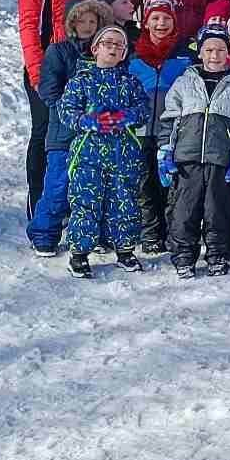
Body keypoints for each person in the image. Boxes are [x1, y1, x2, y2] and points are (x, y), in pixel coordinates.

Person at [157, 23, 230, 278]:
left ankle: (218, 255)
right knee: (184, 209)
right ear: (199, 52)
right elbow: (170, 117)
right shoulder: (184, 82)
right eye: (208, 50)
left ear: (228, 53)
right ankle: (184, 256)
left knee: (217, 209)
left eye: (220, 50)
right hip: (186, 157)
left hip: (219, 157)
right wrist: (166, 149)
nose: (214, 55)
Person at [57, 25, 150, 279]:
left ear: (124, 53)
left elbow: (143, 110)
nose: (113, 48)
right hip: (88, 154)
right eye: (108, 43)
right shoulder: (81, 81)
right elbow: (66, 111)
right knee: (86, 202)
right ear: (95, 48)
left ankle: (125, 250)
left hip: (123, 154)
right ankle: (79, 253)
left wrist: (126, 117)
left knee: (124, 201)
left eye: (119, 45)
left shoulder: (130, 82)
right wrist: (89, 121)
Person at [18, 0, 91, 218]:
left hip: (74, 69)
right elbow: (29, 27)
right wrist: (37, 73)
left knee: (69, 135)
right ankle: (38, 203)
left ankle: (63, 201)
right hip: (46, 69)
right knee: (44, 133)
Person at [28, 0, 110, 257]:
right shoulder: (59, 51)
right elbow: (48, 91)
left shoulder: (105, 52)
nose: (87, 26)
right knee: (58, 186)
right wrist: (74, 111)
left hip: (96, 135)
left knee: (93, 188)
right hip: (64, 133)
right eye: (81, 21)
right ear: (71, 23)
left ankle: (90, 233)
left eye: (92, 21)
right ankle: (44, 233)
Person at [128, 0, 196, 253]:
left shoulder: (184, 57)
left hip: (172, 132)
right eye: (155, 18)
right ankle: (150, 233)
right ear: (145, 22)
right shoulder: (133, 57)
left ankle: (170, 231)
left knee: (170, 183)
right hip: (141, 131)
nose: (161, 24)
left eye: (166, 18)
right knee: (145, 183)